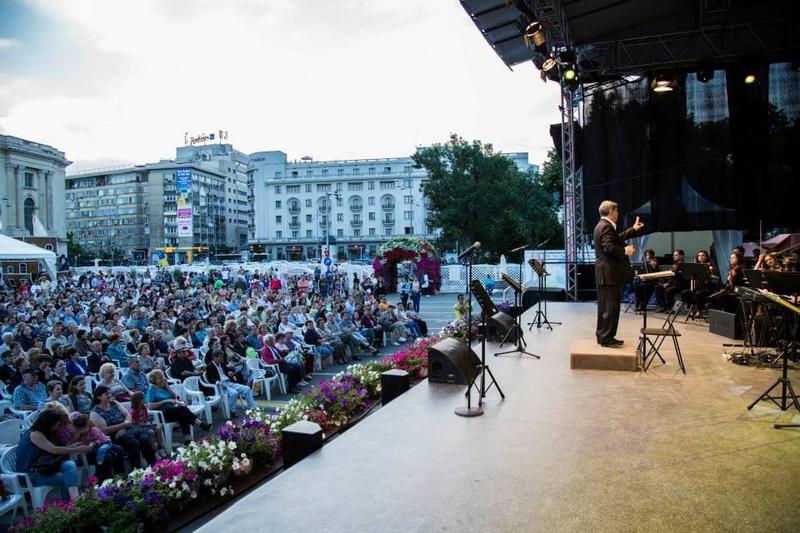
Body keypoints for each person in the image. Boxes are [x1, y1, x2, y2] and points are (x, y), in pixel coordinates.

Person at [593, 200, 644, 347]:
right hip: (609, 273)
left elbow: (617, 238)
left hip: (605, 273)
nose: (618, 213)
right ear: (611, 212)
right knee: (611, 307)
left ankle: (603, 336)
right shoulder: (606, 226)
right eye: (616, 210)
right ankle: (606, 338)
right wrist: (625, 251)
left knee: (605, 307)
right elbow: (609, 247)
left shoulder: (602, 225)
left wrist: (633, 229)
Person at [15, 409, 93, 501]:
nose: (58, 427)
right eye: (57, 424)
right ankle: (72, 502)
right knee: (66, 479)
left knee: (70, 464)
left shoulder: (46, 432)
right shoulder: (35, 434)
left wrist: (71, 447)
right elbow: (53, 450)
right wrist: (77, 450)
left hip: (44, 466)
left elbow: (53, 449)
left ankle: (74, 499)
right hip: (31, 474)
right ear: (49, 423)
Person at [90, 384, 157, 467]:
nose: (109, 395)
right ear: (98, 397)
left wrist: (124, 426)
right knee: (134, 443)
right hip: (114, 436)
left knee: (144, 437)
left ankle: (154, 465)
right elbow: (104, 430)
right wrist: (123, 426)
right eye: (106, 394)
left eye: (109, 393)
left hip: (128, 429)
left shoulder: (114, 403)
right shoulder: (95, 412)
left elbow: (128, 414)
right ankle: (137, 469)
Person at [145, 369, 210, 445]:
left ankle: (188, 440)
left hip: (172, 410)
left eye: (162, 376)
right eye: (159, 377)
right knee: (183, 410)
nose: (162, 378)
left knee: (183, 415)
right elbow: (150, 406)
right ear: (154, 380)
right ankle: (201, 425)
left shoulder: (163, 387)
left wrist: (167, 386)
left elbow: (175, 397)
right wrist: (165, 401)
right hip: (162, 413)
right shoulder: (151, 389)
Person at [70, 413, 126, 480]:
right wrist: (79, 434)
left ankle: (120, 473)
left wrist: (97, 442)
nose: (81, 431)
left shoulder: (93, 430)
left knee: (119, 449)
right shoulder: (78, 434)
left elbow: (100, 440)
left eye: (82, 429)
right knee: (108, 457)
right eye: (79, 429)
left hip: (103, 445)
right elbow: (77, 443)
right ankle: (107, 479)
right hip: (91, 451)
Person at [204, 349, 257, 417]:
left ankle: (253, 409)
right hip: (220, 385)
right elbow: (210, 378)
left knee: (247, 389)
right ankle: (231, 411)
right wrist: (218, 382)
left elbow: (228, 371)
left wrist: (230, 373)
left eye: (222, 357)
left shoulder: (222, 364)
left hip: (229, 382)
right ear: (215, 357)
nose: (222, 359)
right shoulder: (209, 366)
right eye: (220, 357)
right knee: (233, 393)